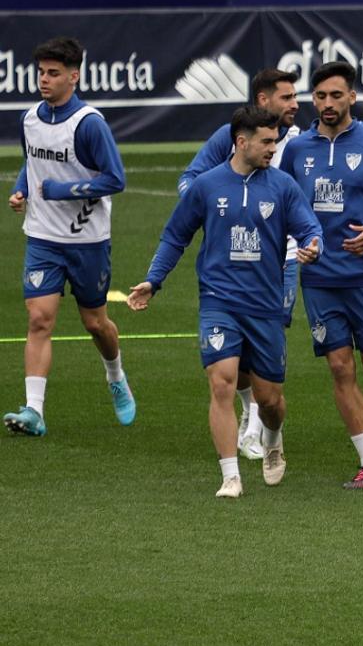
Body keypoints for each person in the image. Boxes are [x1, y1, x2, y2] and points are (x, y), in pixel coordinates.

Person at [127, 107, 323, 497]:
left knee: (270, 399)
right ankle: (230, 475)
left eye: (275, 141)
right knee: (222, 384)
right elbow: (175, 236)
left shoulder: (283, 187)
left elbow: (309, 227)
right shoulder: (206, 186)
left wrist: (313, 245)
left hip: (265, 305)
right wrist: (154, 280)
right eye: (266, 141)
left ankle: (273, 439)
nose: (273, 148)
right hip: (219, 301)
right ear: (241, 142)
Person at [279, 61, 363, 488]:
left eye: (336, 96)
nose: (328, 104)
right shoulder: (298, 149)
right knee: (340, 367)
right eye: (320, 97)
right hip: (319, 278)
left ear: (351, 97)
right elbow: (281, 201)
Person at [5, 37, 136, 437]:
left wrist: (62, 191)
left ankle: (115, 374)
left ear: (74, 76)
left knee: (95, 323)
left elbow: (116, 180)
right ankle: (34, 410)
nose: (44, 79)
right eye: (41, 72)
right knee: (39, 319)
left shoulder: (89, 124)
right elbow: (33, 162)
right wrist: (21, 188)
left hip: (87, 241)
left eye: (53, 73)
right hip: (43, 238)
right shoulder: (30, 119)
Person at [177, 68, 303, 460]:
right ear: (264, 102)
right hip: (233, 262)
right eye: (286, 98)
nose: (295, 104)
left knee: (265, 351)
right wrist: (209, 205)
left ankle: (262, 418)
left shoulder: (302, 142)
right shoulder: (232, 135)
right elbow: (191, 178)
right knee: (233, 356)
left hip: (285, 257)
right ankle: (249, 422)